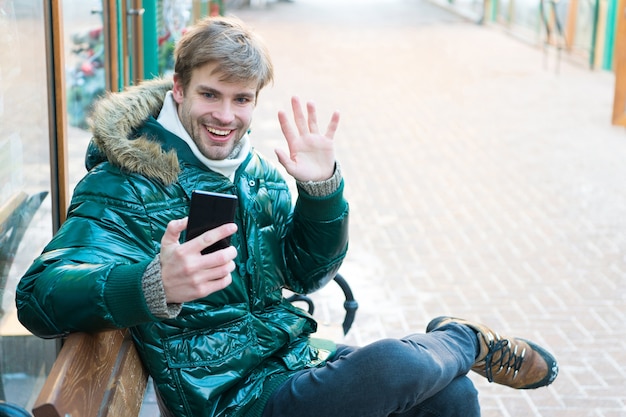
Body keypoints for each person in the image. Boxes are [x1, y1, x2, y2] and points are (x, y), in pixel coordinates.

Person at [15, 15, 558, 417]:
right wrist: (152, 285)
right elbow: (38, 297)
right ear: (178, 89)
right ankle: (467, 340)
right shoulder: (124, 185)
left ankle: (460, 345)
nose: (226, 117)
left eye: (242, 99)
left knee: (452, 395)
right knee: (401, 366)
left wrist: (321, 192)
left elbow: (304, 274)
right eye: (210, 94)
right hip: (226, 400)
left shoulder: (252, 171)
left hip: (284, 362)